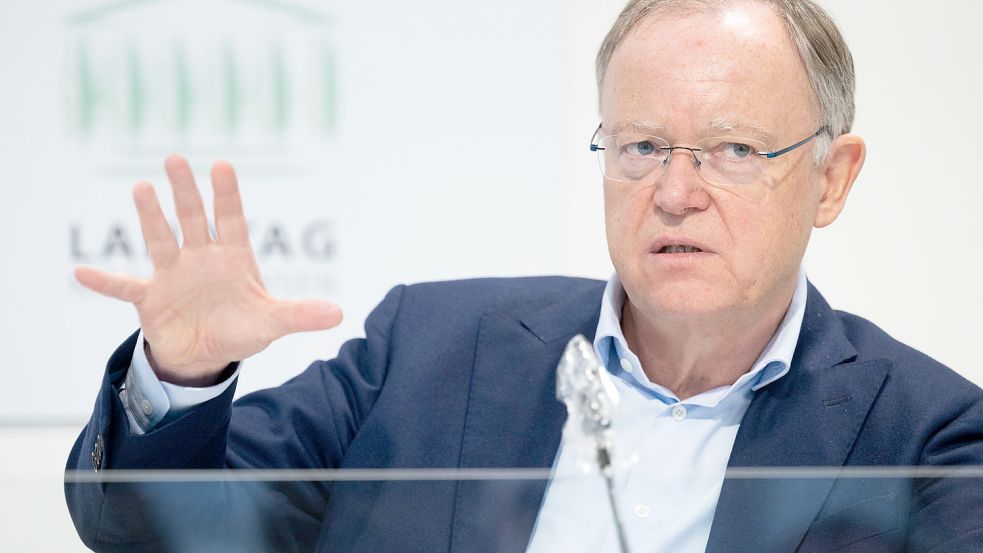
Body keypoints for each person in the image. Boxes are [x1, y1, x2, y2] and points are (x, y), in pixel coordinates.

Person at [66, 0, 983, 552]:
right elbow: (146, 531)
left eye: (733, 149)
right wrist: (179, 377)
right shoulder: (425, 348)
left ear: (832, 178)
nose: (672, 192)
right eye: (641, 145)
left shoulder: (930, 437)